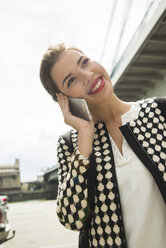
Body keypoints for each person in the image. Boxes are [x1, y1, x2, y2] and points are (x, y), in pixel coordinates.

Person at [39, 43, 166, 248]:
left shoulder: (160, 112)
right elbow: (72, 219)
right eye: (71, 80)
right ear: (64, 100)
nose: (87, 75)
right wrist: (85, 138)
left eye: (85, 62)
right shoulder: (70, 145)